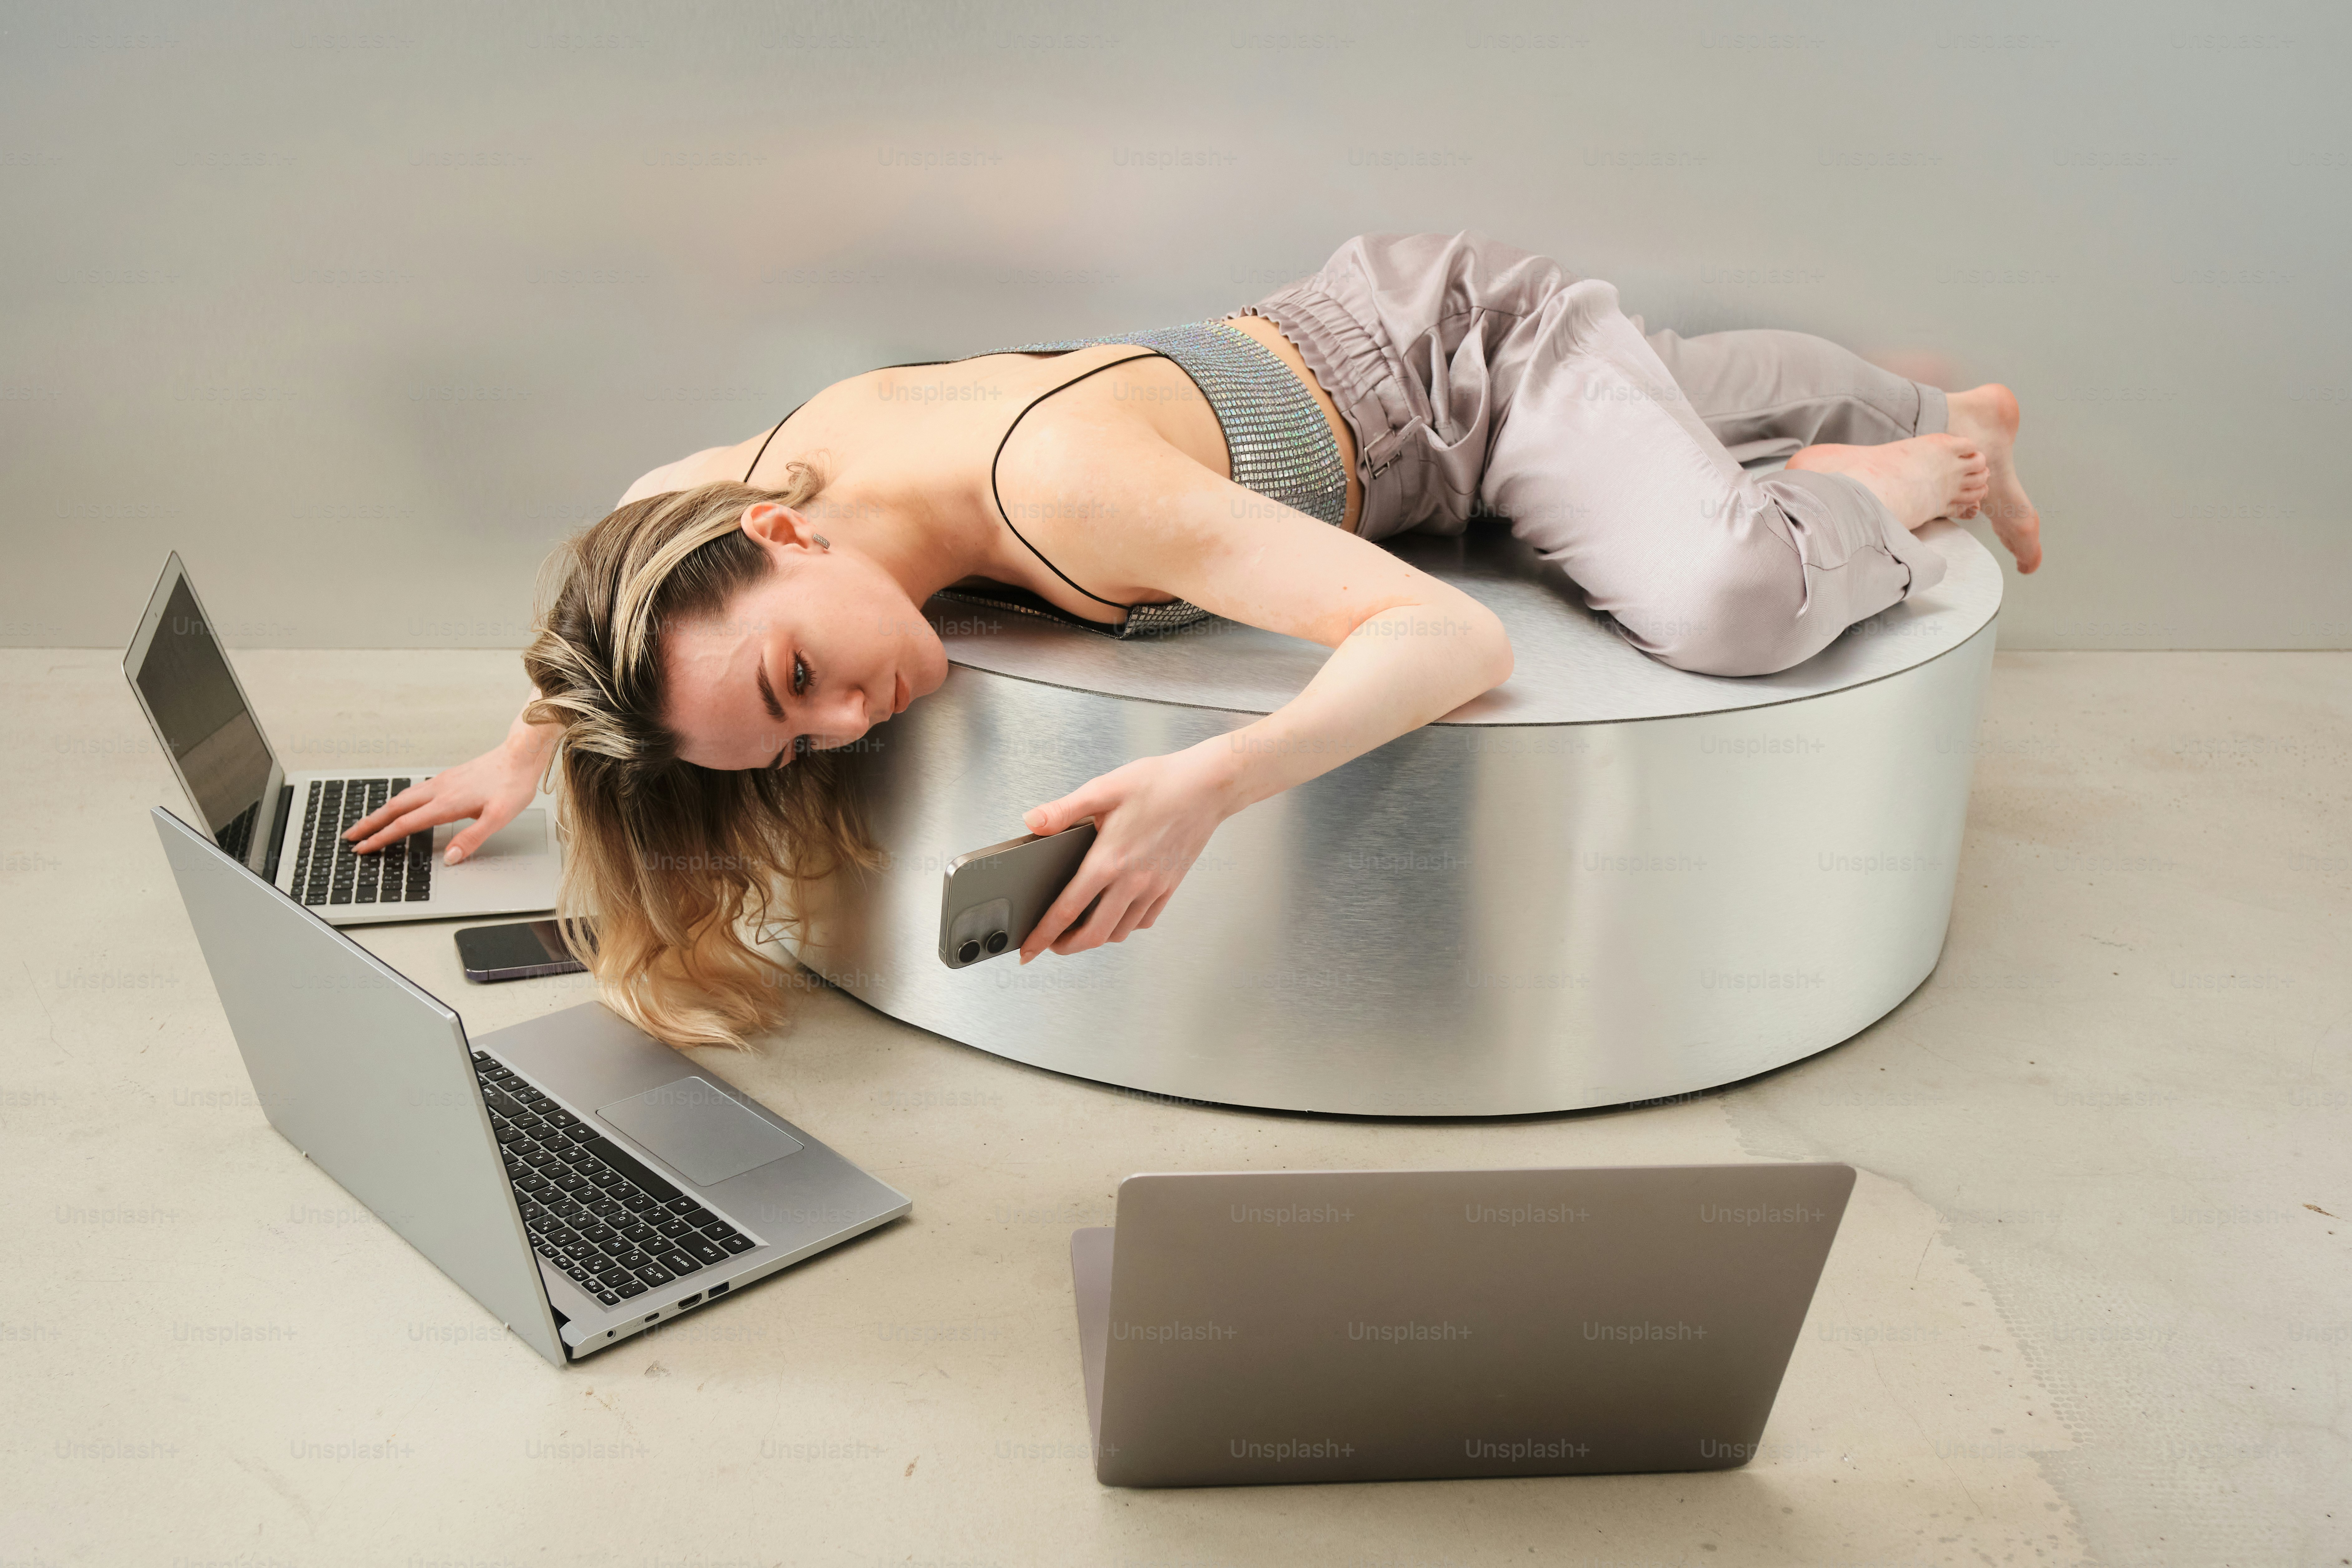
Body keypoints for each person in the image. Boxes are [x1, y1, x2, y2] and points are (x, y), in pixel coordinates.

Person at [344, 230, 2041, 1048]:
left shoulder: (1058, 488)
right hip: (1349, 388)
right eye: (795, 743)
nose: (850, 719)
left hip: (1460, 369)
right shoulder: (697, 507)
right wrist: (532, 746)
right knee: (1658, 416)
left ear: (779, 535)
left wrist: (1208, 781)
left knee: (1730, 599)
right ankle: (1934, 402)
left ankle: (1893, 474)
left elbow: (1446, 638)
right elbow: (598, 611)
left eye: (801, 679)